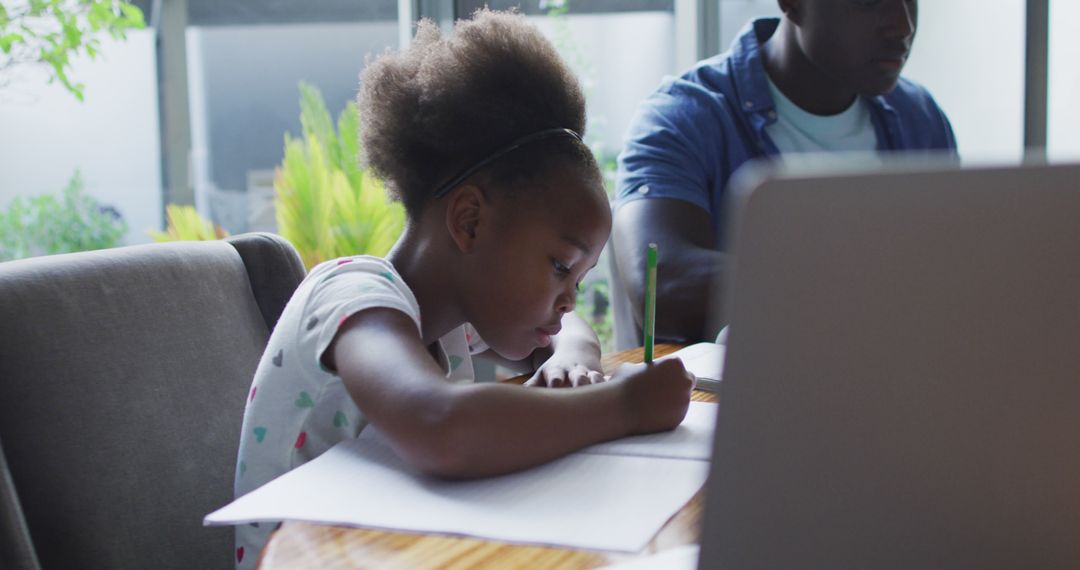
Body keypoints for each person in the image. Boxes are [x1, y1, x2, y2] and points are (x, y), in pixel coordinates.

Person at [231, 10, 695, 567]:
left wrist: (572, 354)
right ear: (470, 222)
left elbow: (570, 324)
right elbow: (441, 424)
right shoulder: (353, 298)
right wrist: (625, 404)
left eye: (580, 277)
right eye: (559, 266)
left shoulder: (452, 318)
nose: (570, 296)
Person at [612, 0, 956, 344]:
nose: (903, 25)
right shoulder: (682, 117)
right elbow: (660, 285)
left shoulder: (920, 117)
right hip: (740, 394)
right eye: (869, 3)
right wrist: (858, 279)